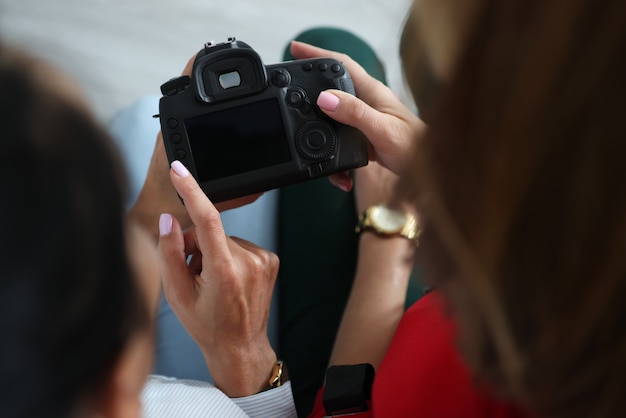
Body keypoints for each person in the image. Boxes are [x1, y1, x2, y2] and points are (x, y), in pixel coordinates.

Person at [157, 0, 626, 416]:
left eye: (457, 112)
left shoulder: (508, 377)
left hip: (353, 388)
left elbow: (352, 404)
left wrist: (242, 359)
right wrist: (440, 178)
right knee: (328, 56)